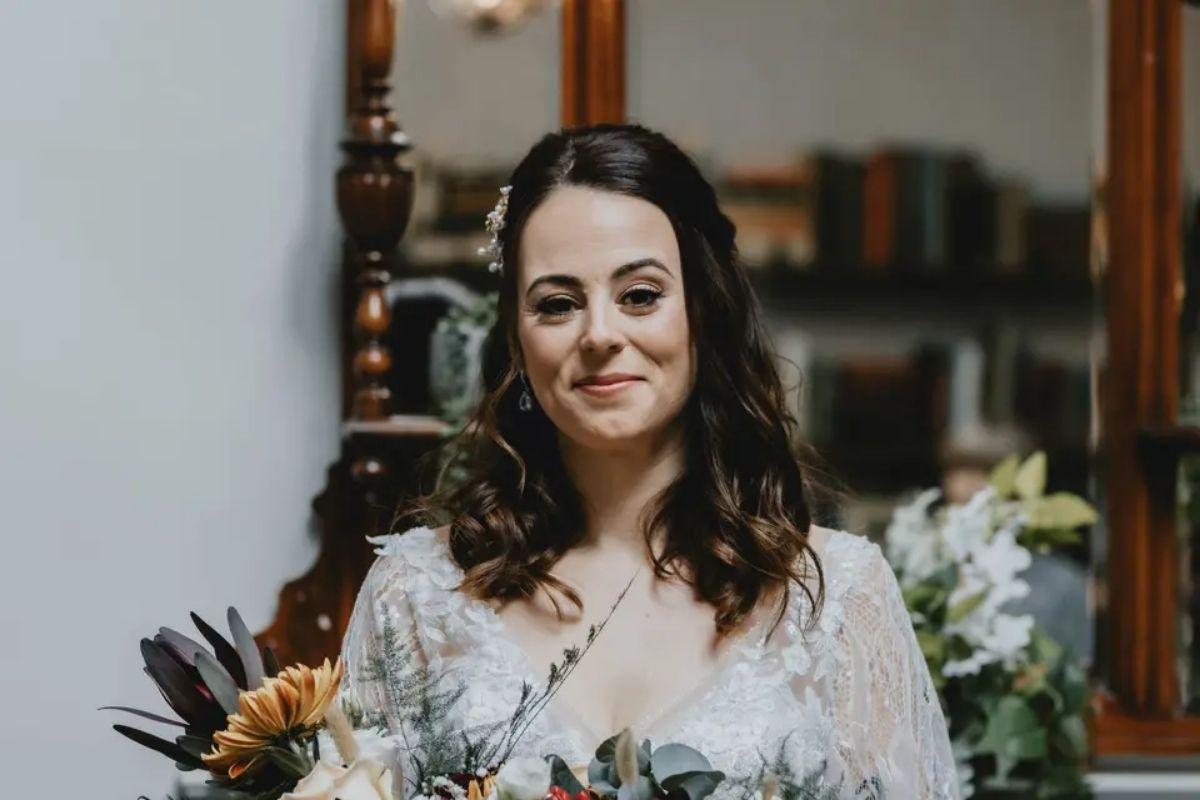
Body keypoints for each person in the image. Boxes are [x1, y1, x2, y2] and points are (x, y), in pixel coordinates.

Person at [338, 123, 959, 799]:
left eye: (639, 295)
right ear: (517, 340)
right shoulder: (416, 595)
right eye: (557, 304)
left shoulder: (838, 596)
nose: (600, 334)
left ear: (703, 311)